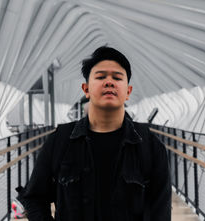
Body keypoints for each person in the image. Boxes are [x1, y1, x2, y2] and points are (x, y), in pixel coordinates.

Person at [17, 46, 172, 221]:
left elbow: (161, 212)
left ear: (128, 92)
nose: (109, 82)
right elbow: (34, 197)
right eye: (100, 77)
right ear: (86, 89)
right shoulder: (60, 141)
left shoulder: (149, 145)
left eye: (117, 77)